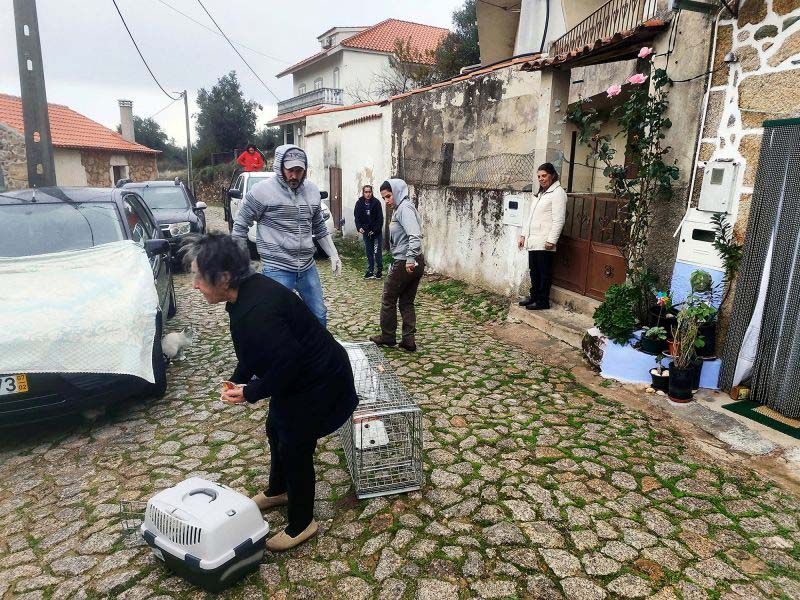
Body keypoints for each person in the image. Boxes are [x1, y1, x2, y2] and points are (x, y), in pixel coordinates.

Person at [183, 233, 358, 552]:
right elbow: (254, 352)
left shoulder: (257, 309)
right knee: (274, 427)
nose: (194, 284)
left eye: (198, 276)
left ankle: (303, 523)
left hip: (321, 379)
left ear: (223, 278)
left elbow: (287, 365)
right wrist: (239, 378)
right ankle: (279, 490)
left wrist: (250, 392)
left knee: (294, 445)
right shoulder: (244, 296)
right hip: (301, 376)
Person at [232, 144, 342, 327]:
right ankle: (283, 355)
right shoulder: (261, 192)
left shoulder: (312, 191)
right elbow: (240, 225)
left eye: (299, 170)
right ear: (279, 167)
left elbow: (320, 227)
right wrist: (240, 262)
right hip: (277, 268)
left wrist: (333, 254)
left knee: (319, 314)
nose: (294, 175)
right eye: (290, 170)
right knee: (276, 319)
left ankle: (318, 354)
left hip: (307, 266)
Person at [370, 179, 424, 352]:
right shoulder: (401, 208)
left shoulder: (404, 209)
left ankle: (388, 336)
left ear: (397, 192)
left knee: (388, 298)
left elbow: (415, 235)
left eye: (388, 196)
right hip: (414, 260)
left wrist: (409, 258)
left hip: (405, 262)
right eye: (384, 198)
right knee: (406, 302)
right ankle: (409, 340)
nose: (387, 201)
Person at [517, 162, 567, 310]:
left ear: (552, 175)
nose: (541, 179)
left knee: (544, 272)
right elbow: (531, 217)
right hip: (534, 240)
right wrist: (523, 236)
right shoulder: (541, 193)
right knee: (534, 271)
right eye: (539, 176)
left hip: (545, 241)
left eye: (544, 176)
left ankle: (543, 301)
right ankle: (534, 297)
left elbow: (559, 220)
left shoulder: (558, 193)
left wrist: (552, 240)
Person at [353, 185, 384, 279]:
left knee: (377, 252)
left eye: (369, 192)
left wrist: (375, 230)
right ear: (363, 193)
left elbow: (380, 219)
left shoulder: (376, 203)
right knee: (369, 252)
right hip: (366, 232)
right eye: (366, 192)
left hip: (376, 232)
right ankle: (370, 270)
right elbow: (357, 218)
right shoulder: (359, 203)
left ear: (372, 192)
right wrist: (359, 228)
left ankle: (379, 270)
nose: (368, 194)